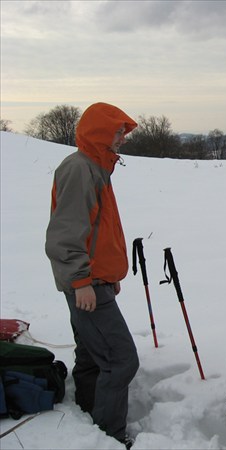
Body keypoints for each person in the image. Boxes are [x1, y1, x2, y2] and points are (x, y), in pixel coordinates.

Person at [45, 102, 139, 448]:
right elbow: (66, 233)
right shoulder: (80, 169)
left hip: (95, 280)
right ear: (100, 131)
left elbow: (99, 231)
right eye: (118, 132)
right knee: (121, 359)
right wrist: (82, 281)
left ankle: (88, 414)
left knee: (91, 354)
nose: (122, 139)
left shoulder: (97, 168)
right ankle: (110, 436)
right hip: (86, 284)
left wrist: (109, 273)